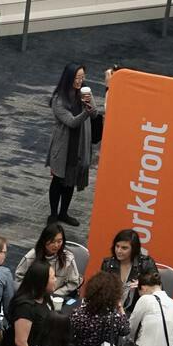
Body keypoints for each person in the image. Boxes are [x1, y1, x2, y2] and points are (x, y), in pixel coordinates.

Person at [46, 64, 102, 226]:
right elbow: (71, 122)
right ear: (69, 78)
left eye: (82, 77)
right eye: (77, 77)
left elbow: (95, 113)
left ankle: (64, 212)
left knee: (71, 178)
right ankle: (53, 214)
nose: (80, 81)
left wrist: (89, 104)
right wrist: (86, 111)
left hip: (80, 143)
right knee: (58, 179)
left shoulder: (85, 92)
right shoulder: (59, 99)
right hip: (64, 144)